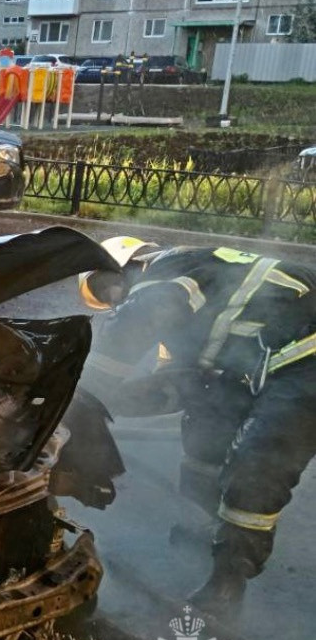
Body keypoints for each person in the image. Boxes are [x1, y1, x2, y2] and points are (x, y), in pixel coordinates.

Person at [78, 236, 316, 613]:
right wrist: (112, 403)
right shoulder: (201, 287)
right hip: (274, 360)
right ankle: (203, 527)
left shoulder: (167, 270)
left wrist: (84, 396)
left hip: (307, 358)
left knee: (261, 461)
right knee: (208, 417)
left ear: (128, 263)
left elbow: (136, 324)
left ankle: (228, 581)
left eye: (107, 288)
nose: (113, 300)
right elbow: (178, 387)